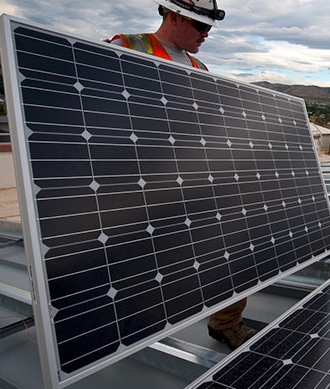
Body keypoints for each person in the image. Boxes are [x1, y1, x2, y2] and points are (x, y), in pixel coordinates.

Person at [109, 0, 256, 351]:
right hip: (136, 181)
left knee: (233, 242)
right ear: (173, 16)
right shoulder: (125, 47)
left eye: (208, 29)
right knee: (138, 260)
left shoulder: (198, 67)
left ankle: (226, 323)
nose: (206, 35)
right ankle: (123, 324)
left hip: (184, 178)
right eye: (199, 27)